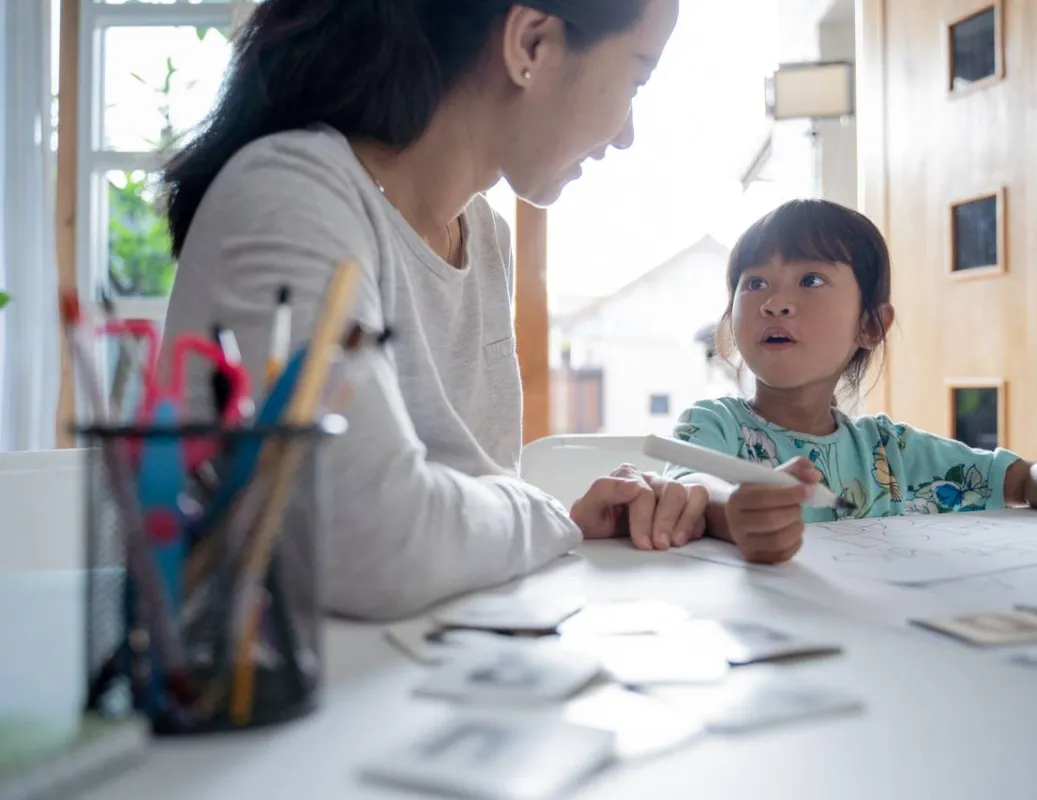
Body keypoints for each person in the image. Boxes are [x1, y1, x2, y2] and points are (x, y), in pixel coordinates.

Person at [159, 0, 705, 620]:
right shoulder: (289, 195)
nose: (627, 132)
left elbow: (451, 506)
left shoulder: (484, 236)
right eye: (637, 77)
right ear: (531, 44)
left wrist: (572, 520)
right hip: (276, 674)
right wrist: (549, 515)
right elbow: (376, 544)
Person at [664, 199, 1037, 564]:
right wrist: (734, 512)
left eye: (811, 279)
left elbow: (1028, 476)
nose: (775, 302)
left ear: (871, 325)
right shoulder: (715, 424)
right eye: (755, 283)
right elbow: (691, 488)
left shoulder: (890, 452)